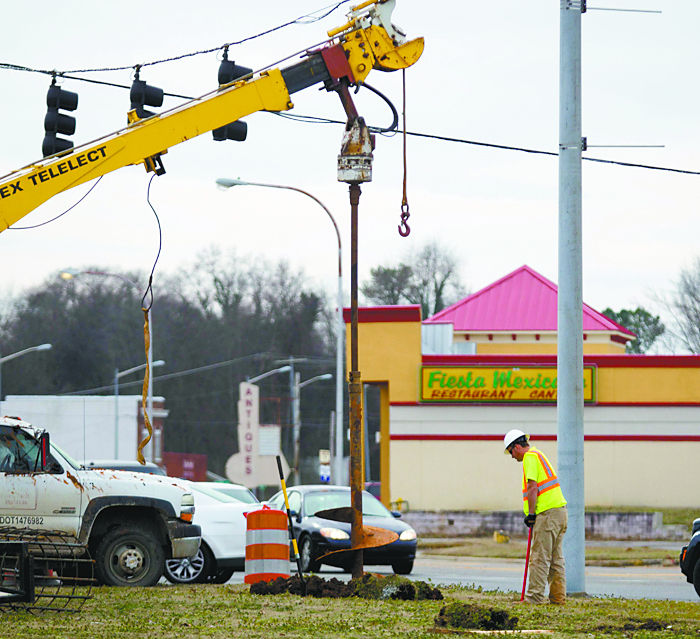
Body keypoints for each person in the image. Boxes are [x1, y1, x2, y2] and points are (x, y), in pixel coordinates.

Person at [503, 429, 567, 605]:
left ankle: (534, 598)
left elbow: (532, 487)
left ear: (516, 447)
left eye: (510, 451)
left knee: (540, 557)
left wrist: (531, 515)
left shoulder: (530, 457)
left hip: (547, 514)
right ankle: (558, 599)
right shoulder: (539, 454)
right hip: (560, 512)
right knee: (555, 559)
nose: (512, 456)